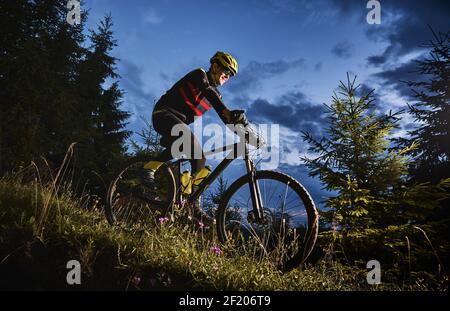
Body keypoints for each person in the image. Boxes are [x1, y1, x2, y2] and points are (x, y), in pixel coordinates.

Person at [144, 51, 246, 225]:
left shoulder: (217, 95)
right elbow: (208, 92)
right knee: (187, 139)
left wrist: (244, 131)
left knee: (200, 158)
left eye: (230, 75)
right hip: (163, 113)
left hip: (178, 124)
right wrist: (227, 111)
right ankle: (148, 169)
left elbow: (224, 118)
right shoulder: (199, 75)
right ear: (215, 66)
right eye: (226, 71)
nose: (227, 77)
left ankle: (192, 205)